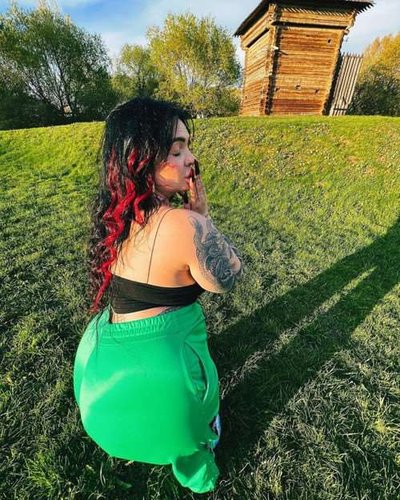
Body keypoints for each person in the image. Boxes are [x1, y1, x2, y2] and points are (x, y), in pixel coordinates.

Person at [72, 97, 244, 494]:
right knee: (203, 425)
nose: (191, 160)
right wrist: (202, 218)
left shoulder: (117, 216)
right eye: (177, 151)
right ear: (142, 160)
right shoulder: (183, 224)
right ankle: (193, 459)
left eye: (188, 148)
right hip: (165, 384)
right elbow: (227, 277)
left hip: (99, 384)